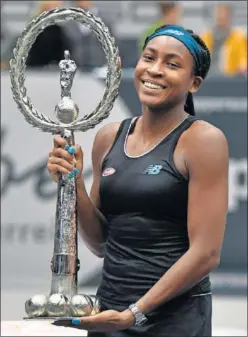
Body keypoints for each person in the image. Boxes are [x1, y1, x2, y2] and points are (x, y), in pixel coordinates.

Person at [47, 24, 229, 336]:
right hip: (109, 314)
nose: (155, 70)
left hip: (174, 320)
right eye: (149, 58)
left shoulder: (204, 141)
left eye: (172, 64)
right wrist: (73, 186)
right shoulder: (108, 137)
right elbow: (101, 243)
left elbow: (206, 253)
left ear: (194, 83)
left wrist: (136, 313)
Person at [201, 2, 247, 76]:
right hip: (209, 78)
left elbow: (243, 59)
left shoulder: (239, 37)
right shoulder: (205, 37)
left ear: (229, 17)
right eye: (219, 14)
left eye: (224, 15)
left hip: (231, 78)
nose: (221, 17)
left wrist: (242, 67)